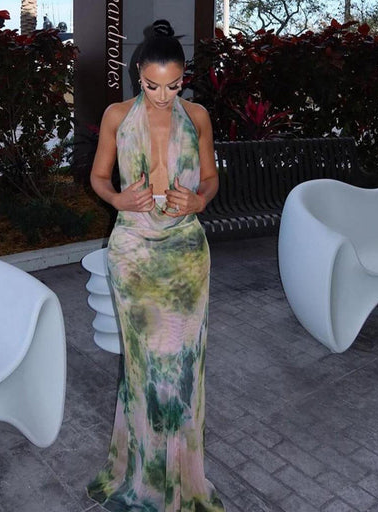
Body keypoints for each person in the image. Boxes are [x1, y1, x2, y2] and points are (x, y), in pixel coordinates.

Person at [86, 19, 225, 512]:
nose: (163, 96)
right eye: (151, 86)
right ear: (137, 75)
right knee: (144, 367)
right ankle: (142, 476)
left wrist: (200, 201)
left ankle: (182, 477)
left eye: (173, 86)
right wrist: (118, 198)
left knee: (183, 368)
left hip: (186, 252)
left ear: (183, 79)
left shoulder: (199, 116)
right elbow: (98, 177)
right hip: (134, 252)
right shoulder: (116, 116)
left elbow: (210, 178)